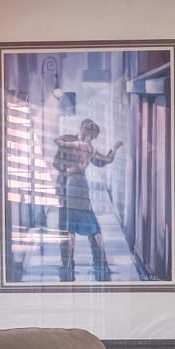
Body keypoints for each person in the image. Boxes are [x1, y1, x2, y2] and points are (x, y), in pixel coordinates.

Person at [52, 119, 116, 282]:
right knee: (77, 225)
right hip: (72, 186)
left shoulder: (75, 143)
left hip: (72, 185)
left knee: (70, 226)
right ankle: (78, 263)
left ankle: (78, 264)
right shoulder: (85, 146)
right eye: (91, 135)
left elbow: (100, 161)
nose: (91, 138)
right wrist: (114, 149)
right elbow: (57, 163)